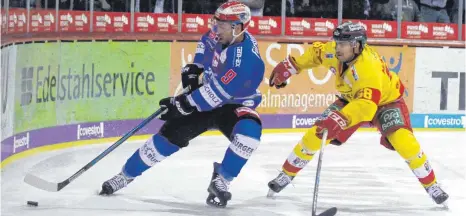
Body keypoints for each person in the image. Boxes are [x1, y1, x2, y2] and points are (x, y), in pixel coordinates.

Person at [99, 1, 265, 208]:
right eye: (217, 23)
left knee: (249, 134)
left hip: (233, 105)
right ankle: (125, 175)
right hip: (208, 97)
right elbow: (206, 44)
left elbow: (215, 95)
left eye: (222, 25)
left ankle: (222, 179)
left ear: (238, 27)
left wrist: (181, 104)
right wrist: (196, 66)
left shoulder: (247, 60)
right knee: (169, 137)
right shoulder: (222, 35)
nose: (216, 29)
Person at [266, 21, 449, 205]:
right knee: (317, 133)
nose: (338, 48)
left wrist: (340, 118)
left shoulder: (368, 67)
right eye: (337, 42)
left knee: (404, 141)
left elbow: (367, 107)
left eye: (343, 44)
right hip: (351, 99)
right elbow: (315, 54)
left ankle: (431, 184)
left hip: (386, 102)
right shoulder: (334, 51)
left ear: (357, 45)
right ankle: (286, 174)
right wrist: (291, 66)